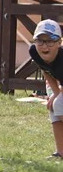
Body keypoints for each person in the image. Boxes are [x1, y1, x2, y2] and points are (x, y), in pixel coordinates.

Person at [28, 19, 63, 159]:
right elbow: (46, 70)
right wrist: (55, 93)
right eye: (40, 41)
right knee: (53, 107)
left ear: (59, 43)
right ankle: (60, 152)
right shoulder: (34, 52)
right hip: (56, 82)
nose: (44, 46)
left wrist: (58, 95)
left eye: (50, 41)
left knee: (59, 104)